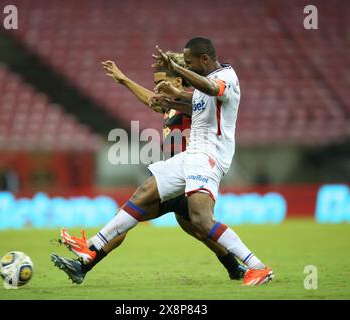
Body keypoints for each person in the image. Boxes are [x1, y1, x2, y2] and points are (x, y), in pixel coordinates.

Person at [56, 37, 274, 286]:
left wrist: (177, 71)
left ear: (204, 59)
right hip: (190, 156)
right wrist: (174, 96)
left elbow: (213, 90)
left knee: (202, 222)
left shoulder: (226, 77)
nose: (188, 67)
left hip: (208, 156)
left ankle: (257, 267)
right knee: (144, 193)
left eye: (190, 64)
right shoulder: (199, 91)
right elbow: (197, 104)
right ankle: (92, 245)